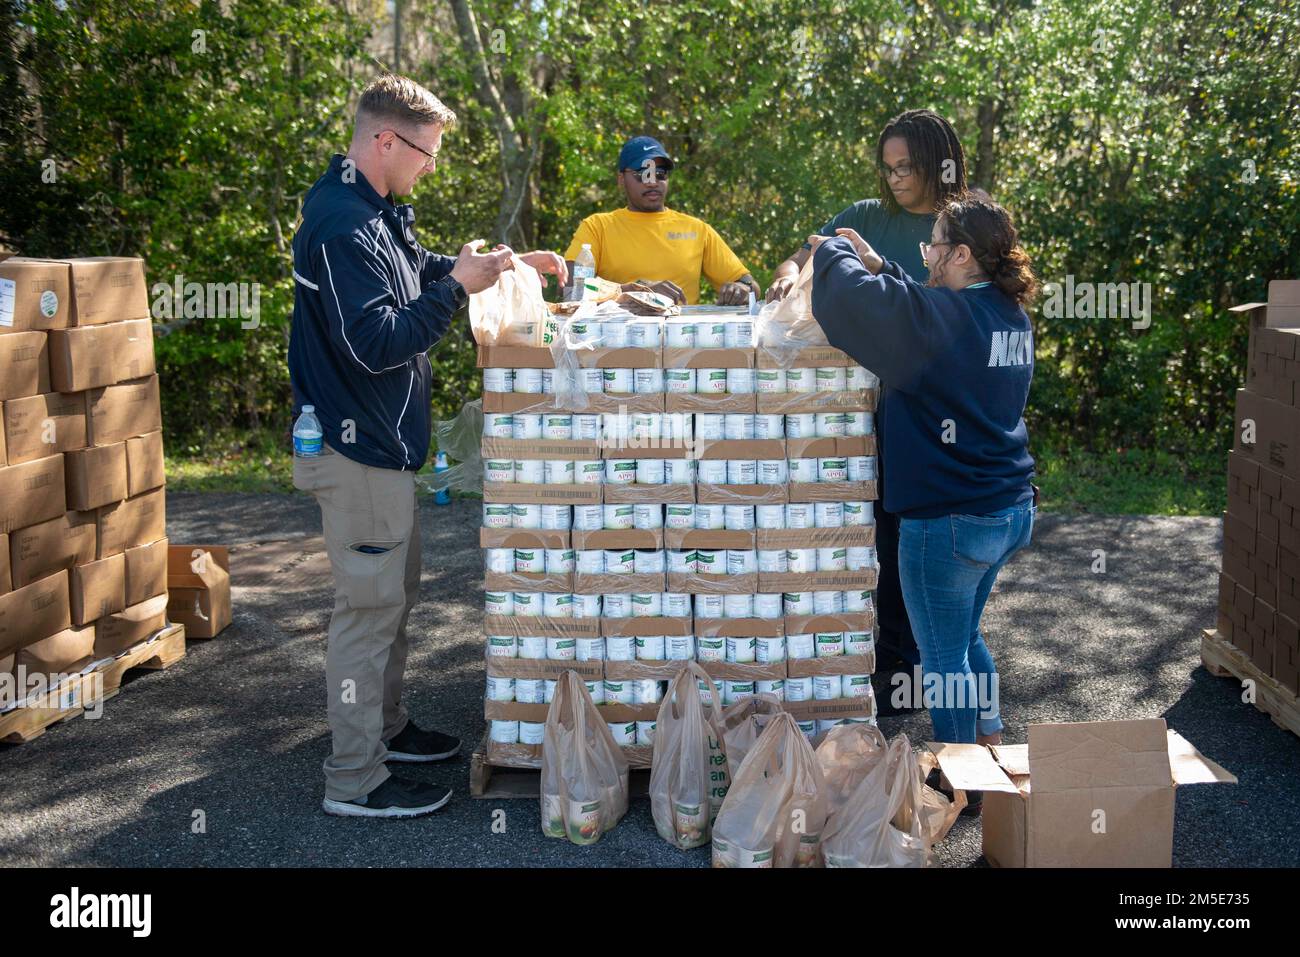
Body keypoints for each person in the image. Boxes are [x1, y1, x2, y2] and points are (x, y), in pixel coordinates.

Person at [288, 74, 567, 819]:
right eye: (426, 152)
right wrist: (456, 290)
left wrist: (499, 268)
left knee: (393, 600)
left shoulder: (374, 209)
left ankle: (385, 729)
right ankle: (354, 777)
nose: (431, 166)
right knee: (365, 613)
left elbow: (417, 270)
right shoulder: (342, 227)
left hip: (383, 448)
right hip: (356, 449)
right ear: (386, 140)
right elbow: (374, 342)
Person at [808, 195, 1038, 812]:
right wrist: (887, 268)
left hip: (948, 522)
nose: (927, 253)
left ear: (961, 254)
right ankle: (990, 740)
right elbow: (929, 316)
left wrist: (829, 247)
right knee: (966, 637)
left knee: (941, 660)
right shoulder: (1006, 313)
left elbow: (856, 307)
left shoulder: (944, 318)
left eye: (934, 244)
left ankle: (964, 779)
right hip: (1008, 509)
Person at [766, 109, 969, 694]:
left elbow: (979, 308)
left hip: (940, 409)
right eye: (888, 168)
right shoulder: (864, 218)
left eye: (907, 166)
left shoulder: (965, 224)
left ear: (938, 161)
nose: (897, 178)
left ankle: (918, 664)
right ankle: (877, 663)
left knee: (925, 539)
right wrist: (786, 275)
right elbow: (800, 256)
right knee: (873, 531)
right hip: (867, 408)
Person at [563, 136, 761, 305]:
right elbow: (571, 289)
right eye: (642, 173)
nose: (653, 181)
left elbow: (751, 288)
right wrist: (636, 292)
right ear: (621, 179)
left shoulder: (697, 230)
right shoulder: (597, 227)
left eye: (660, 173)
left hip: (681, 341)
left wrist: (742, 288)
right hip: (617, 341)